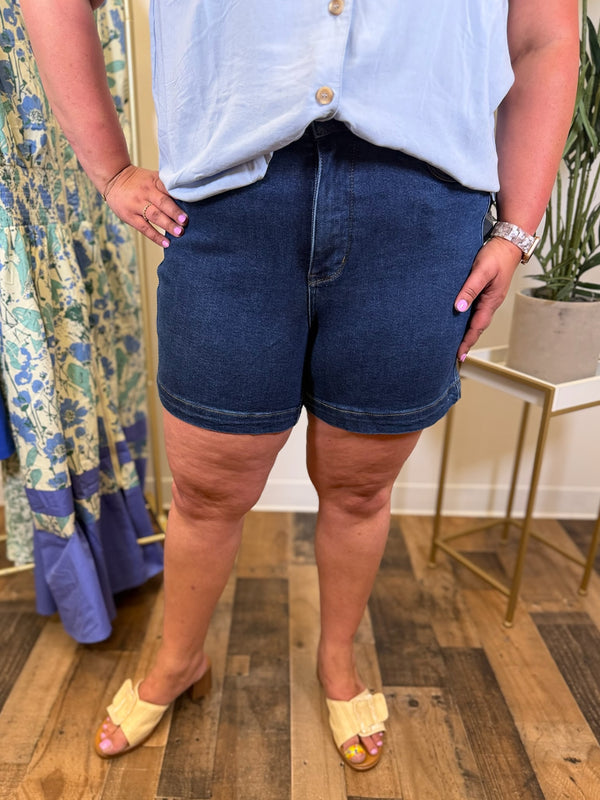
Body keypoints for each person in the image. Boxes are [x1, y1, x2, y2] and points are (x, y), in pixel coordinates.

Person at [21, 0, 579, 770]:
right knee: (208, 490)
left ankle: (338, 662)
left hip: (420, 212)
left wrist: (519, 226)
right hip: (225, 203)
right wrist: (109, 169)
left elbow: (543, 32)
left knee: (359, 488)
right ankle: (177, 661)